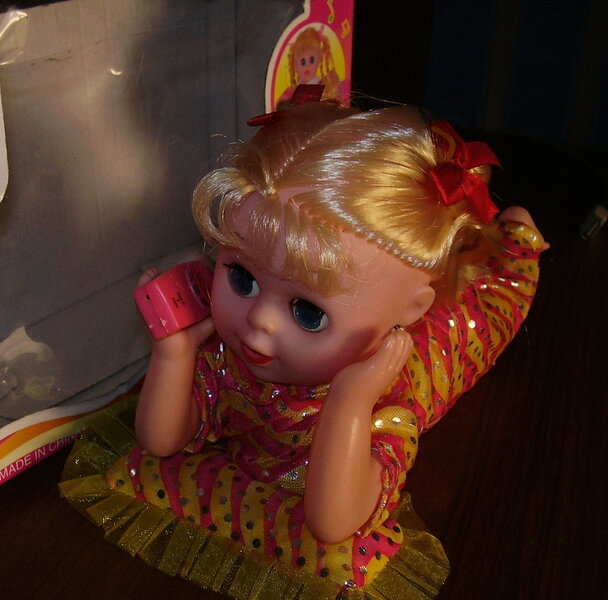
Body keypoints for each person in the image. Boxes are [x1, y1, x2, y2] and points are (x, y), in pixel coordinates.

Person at [61, 95, 546, 599]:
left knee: (492, 305)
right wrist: (174, 354)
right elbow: (161, 441)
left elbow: (333, 523)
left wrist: (350, 401)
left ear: (410, 309)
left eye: (308, 312)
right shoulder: (229, 359)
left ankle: (519, 235)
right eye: (242, 277)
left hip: (444, 346)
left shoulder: (385, 402)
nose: (259, 320)